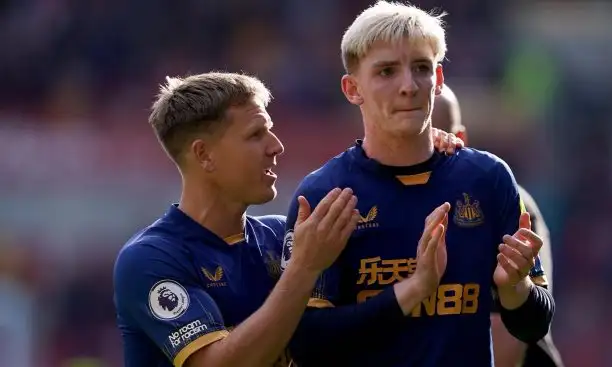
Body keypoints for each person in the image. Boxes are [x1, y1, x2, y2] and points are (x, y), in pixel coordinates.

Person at [112, 72, 463, 367]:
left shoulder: (287, 235)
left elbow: (361, 318)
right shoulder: (150, 260)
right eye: (255, 134)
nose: (276, 146)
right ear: (204, 155)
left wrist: (420, 154)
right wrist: (304, 269)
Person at [282, 2, 555, 366]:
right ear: (352, 88)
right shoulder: (323, 195)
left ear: (438, 80)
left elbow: (533, 325)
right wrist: (412, 290)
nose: (408, 86)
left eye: (421, 68)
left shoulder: (489, 179)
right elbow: (304, 342)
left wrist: (514, 288)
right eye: (386, 72)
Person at [433, 84, 565, 367]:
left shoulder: (504, 202)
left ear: (460, 139)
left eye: (433, 136)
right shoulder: (369, 204)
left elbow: (506, 345)